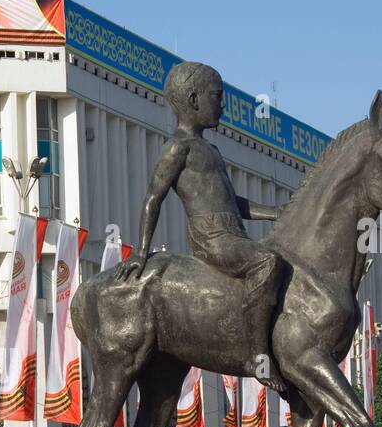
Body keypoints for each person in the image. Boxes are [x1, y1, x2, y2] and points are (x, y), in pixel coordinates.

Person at [118, 61, 286, 393]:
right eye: (217, 97)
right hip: (212, 239)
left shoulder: (211, 150)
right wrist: (140, 251)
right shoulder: (177, 148)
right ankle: (256, 354)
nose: (222, 105)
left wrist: (277, 213)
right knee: (268, 261)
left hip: (234, 233)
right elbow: (154, 198)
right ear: (194, 100)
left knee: (277, 257)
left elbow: (233, 202)